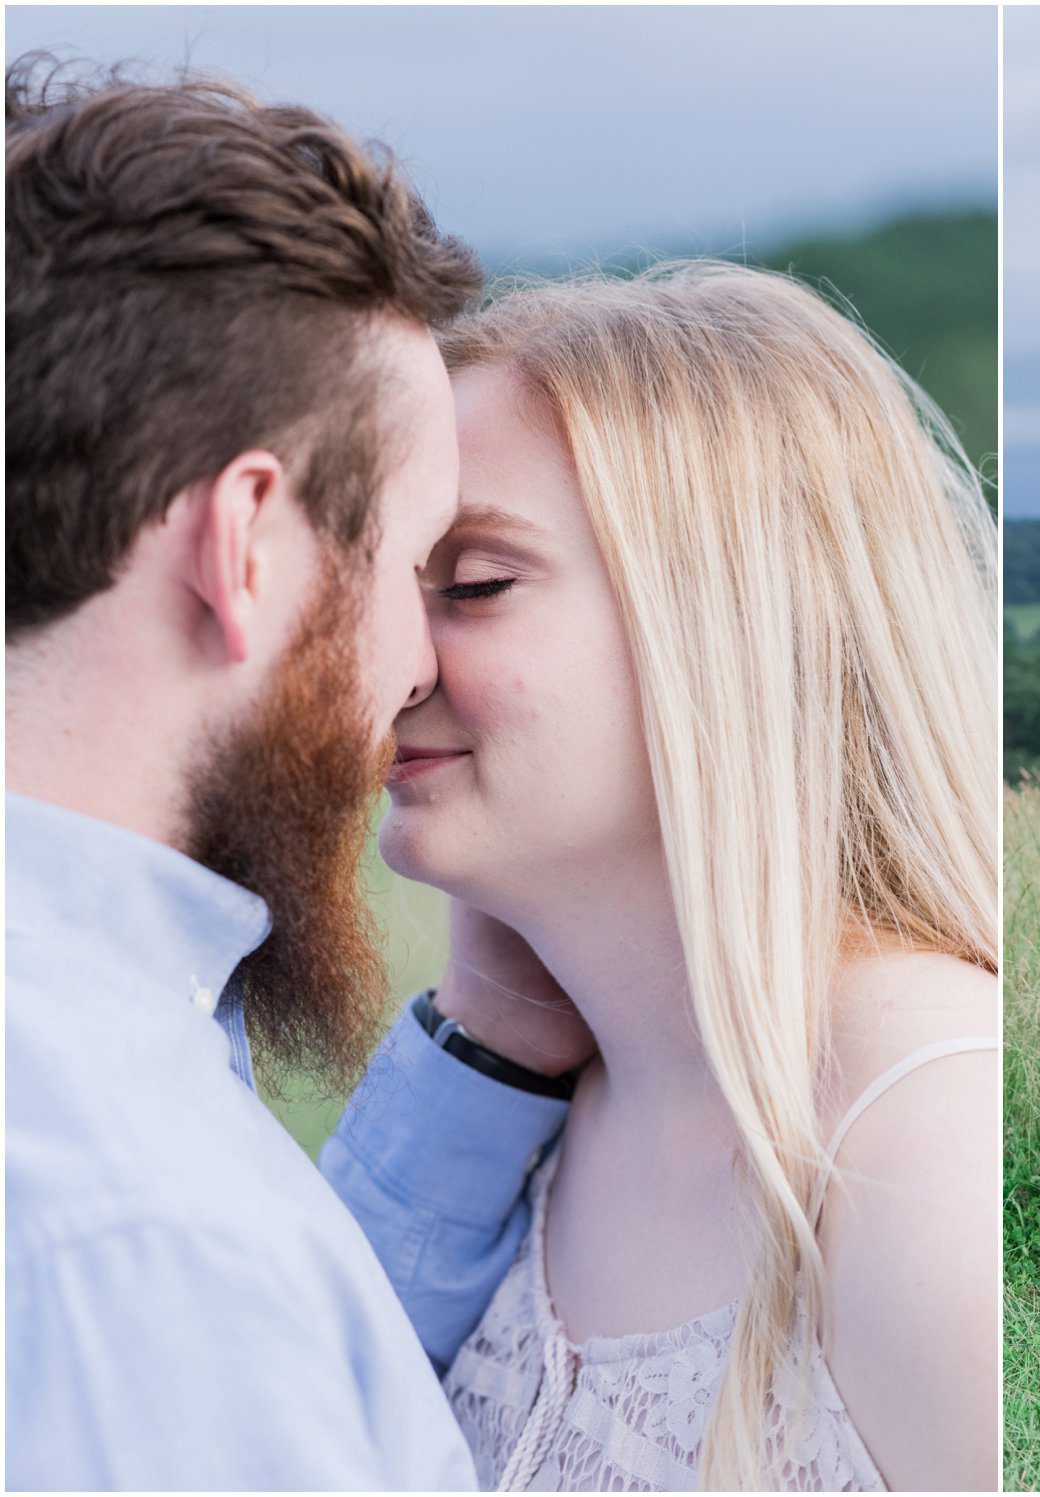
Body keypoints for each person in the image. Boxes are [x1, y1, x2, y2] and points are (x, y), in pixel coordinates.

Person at [6, 59, 572, 1488]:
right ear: (244, 545)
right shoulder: (143, 1255)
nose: (418, 663)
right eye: (415, 561)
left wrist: (487, 1056)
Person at [374, 264, 1001, 1490]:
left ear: (728, 618)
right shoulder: (524, 1111)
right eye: (381, 582)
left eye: (474, 585)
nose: (386, 658)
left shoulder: (933, 1161)